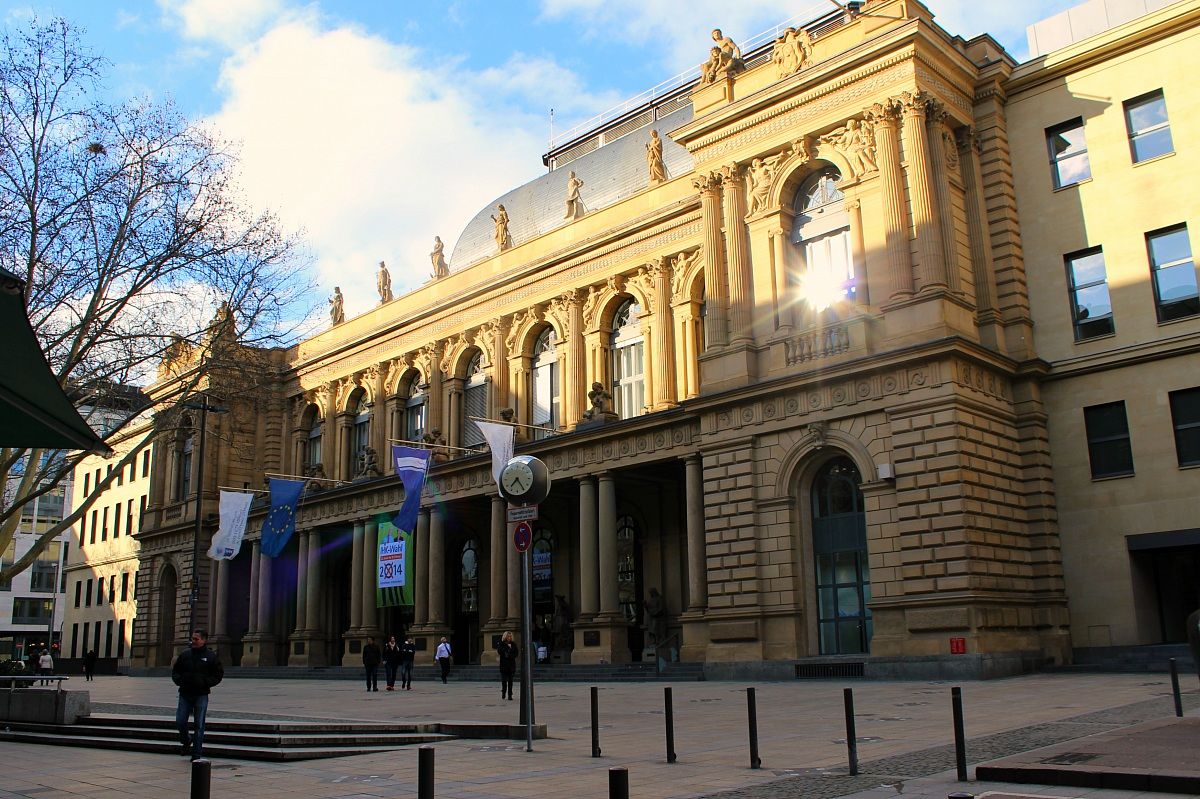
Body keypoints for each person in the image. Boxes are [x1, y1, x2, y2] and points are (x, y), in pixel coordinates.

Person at [171, 629, 224, 761]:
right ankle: (187, 740)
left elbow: (218, 674)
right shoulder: (185, 654)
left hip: (201, 694)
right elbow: (176, 671)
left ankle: (196, 754)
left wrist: (206, 683)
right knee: (180, 721)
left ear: (204, 640)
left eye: (196, 639)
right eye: (192, 638)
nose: (193, 641)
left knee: (199, 725)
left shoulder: (211, 656)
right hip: (185, 693)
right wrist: (179, 681)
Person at [495, 631, 518, 701]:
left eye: (510, 636)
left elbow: (516, 653)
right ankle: (504, 692)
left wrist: (509, 654)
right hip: (504, 666)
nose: (510, 637)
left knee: (511, 681)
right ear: (505, 637)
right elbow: (500, 652)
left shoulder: (514, 644)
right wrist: (507, 651)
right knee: (504, 681)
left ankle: (510, 695)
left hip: (511, 665)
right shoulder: (501, 644)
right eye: (508, 636)